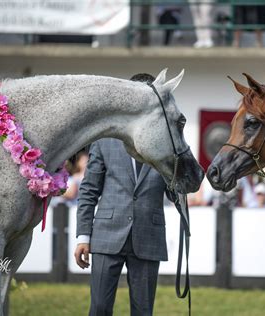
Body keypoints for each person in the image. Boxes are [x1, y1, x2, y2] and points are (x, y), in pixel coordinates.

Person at [74, 73, 174, 316]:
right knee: (99, 309)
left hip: (148, 237)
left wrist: (178, 166)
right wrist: (83, 236)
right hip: (107, 235)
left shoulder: (169, 141)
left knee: (143, 311)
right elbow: (89, 190)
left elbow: (175, 192)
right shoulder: (105, 139)